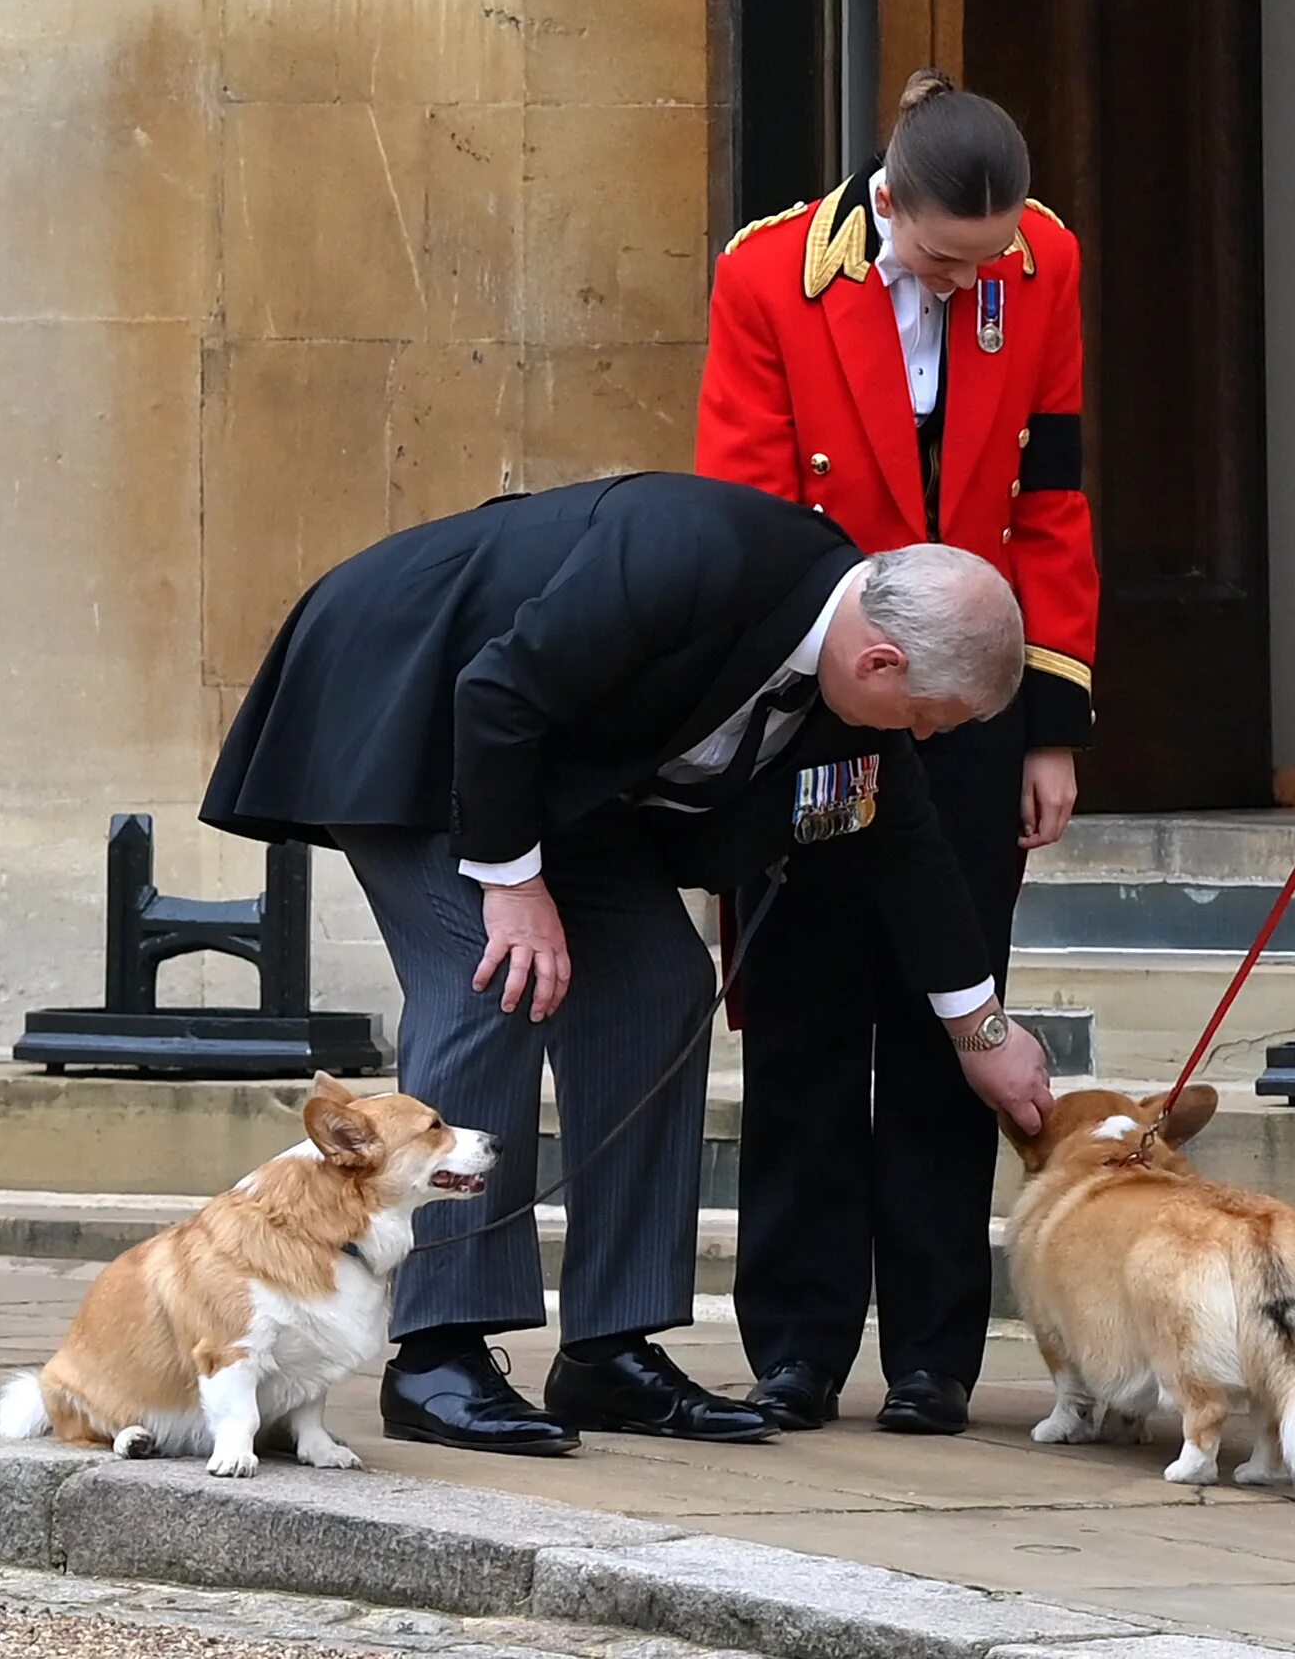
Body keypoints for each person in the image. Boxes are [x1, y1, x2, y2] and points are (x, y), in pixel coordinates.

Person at [200, 473, 1060, 1458]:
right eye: (928, 716)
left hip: (556, 775)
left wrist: (979, 1029)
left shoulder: (846, 683)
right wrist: (514, 888)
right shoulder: (693, 553)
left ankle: (611, 1345)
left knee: (661, 981)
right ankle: (439, 1351)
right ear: (881, 660)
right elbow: (499, 690)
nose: (920, 737)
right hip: (412, 701)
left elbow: (903, 840)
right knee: (495, 979)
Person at [694, 71, 1098, 1438]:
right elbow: (743, 508)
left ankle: (934, 1353)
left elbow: (1054, 496)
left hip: (972, 695)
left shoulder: (1043, 261)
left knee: (949, 1023)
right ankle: (797, 1344)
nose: (969, 279)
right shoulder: (766, 274)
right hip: (830, 681)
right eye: (942, 258)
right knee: (806, 1017)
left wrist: (1051, 722)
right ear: (888, 205)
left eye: (987, 259)